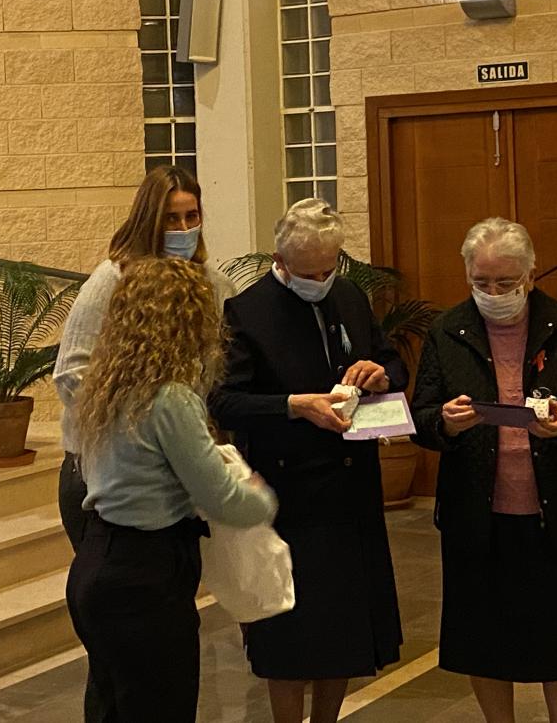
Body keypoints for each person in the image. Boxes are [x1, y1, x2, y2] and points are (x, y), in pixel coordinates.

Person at [411, 218, 557, 723]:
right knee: (483, 640)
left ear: (530, 274)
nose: (492, 293)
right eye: (480, 282)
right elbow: (421, 416)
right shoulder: (447, 330)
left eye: (505, 282)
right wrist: (444, 422)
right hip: (477, 510)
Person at [210, 198, 405, 723]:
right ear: (280, 260)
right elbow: (225, 401)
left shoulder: (349, 296)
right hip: (290, 495)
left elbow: (391, 361)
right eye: (308, 273)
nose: (320, 281)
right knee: (290, 637)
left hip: (350, 492)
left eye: (328, 269)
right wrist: (294, 406)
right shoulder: (248, 312)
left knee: (343, 633)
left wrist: (380, 374)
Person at [51, 164, 234, 722]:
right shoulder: (111, 280)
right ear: (148, 220)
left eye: (191, 216)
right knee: (120, 653)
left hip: (172, 475)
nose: (182, 228)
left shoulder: (210, 281)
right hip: (100, 470)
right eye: (171, 218)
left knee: (156, 646)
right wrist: (144, 425)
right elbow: (71, 374)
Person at [67, 258, 277, 723]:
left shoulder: (107, 385)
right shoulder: (171, 397)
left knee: (113, 711)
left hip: (97, 563)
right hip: (145, 578)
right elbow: (221, 498)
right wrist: (261, 496)